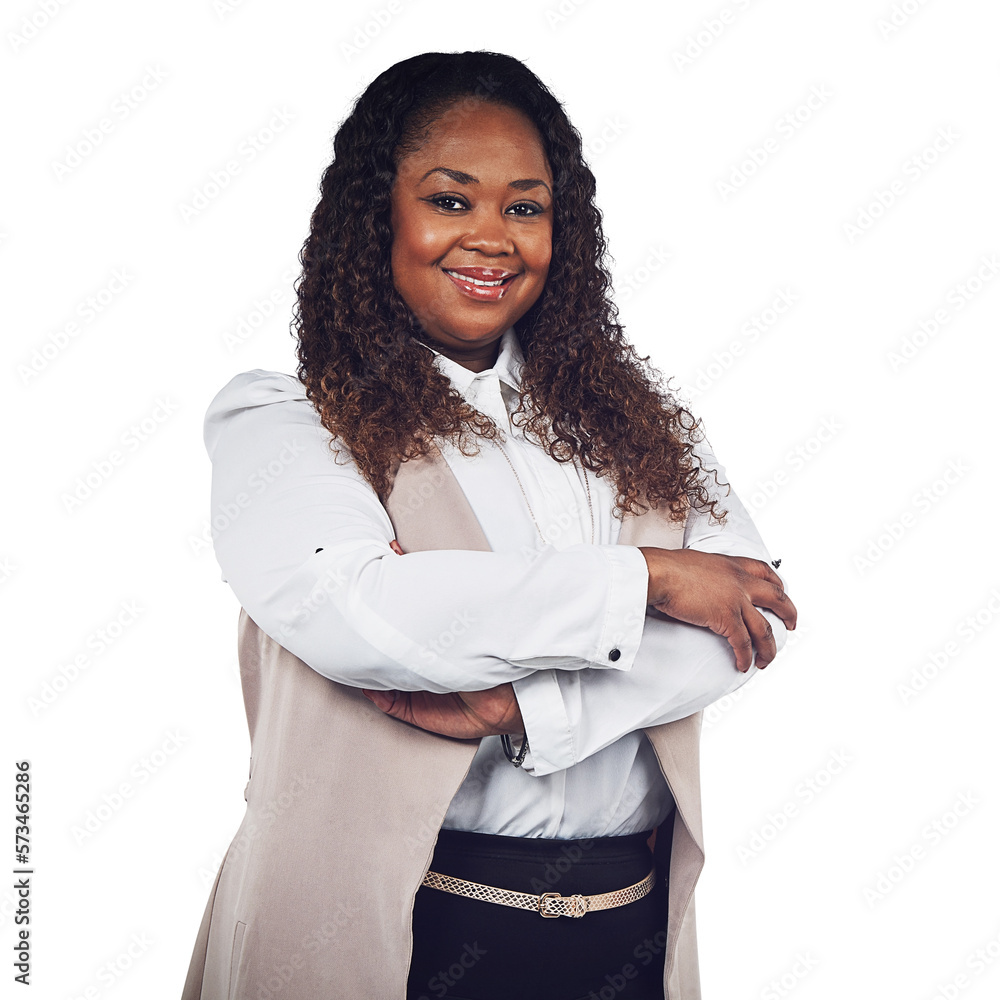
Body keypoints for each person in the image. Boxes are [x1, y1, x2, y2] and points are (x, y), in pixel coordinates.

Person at [181, 50, 797, 1000]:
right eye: (450, 199)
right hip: (393, 939)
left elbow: (744, 628)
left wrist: (523, 707)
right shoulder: (287, 419)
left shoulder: (635, 423)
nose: (492, 238)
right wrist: (653, 580)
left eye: (524, 207)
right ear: (378, 214)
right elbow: (362, 613)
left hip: (623, 936)